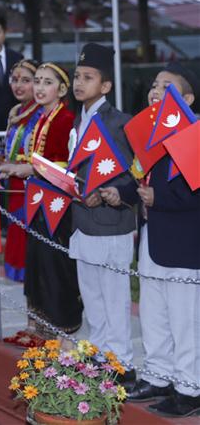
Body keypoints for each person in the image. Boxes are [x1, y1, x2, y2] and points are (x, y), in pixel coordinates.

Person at [126, 64, 200, 417]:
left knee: (186, 318)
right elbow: (138, 180)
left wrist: (160, 199)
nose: (156, 91)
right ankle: (158, 376)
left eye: (166, 87)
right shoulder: (150, 135)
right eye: (154, 85)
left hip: (186, 243)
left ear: (187, 99)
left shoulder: (196, 135)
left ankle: (190, 389)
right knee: (154, 313)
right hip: (153, 236)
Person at [68, 43, 137, 386]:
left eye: (88, 77)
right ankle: (98, 355)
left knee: (114, 298)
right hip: (82, 222)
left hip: (112, 225)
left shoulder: (121, 123)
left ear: (106, 86)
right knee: (92, 297)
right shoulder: (76, 122)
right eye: (77, 76)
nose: (79, 83)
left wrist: (109, 194)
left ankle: (120, 361)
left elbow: (134, 175)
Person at [0, 63, 82, 339]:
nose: (39, 88)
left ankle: (60, 327)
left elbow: (67, 165)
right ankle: (40, 325)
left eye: (47, 82)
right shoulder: (40, 119)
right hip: (37, 201)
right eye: (37, 81)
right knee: (35, 263)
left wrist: (30, 169)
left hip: (56, 205)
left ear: (61, 89)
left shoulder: (65, 119)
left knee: (53, 265)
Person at [0, 59, 41, 285]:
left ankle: (36, 319)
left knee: (34, 254)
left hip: (32, 189)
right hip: (15, 188)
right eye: (15, 80)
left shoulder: (41, 114)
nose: (18, 85)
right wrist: (1, 159)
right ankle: (31, 318)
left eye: (26, 80)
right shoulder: (17, 112)